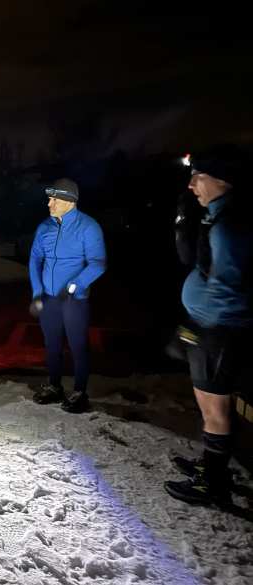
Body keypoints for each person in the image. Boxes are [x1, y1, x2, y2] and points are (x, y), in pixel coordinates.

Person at [164, 147, 251, 506]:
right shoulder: (219, 216)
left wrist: (197, 324)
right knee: (207, 404)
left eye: (198, 177)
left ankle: (212, 484)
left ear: (220, 180)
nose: (192, 184)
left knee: (215, 409)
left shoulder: (230, 225)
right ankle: (212, 465)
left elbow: (230, 286)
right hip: (208, 326)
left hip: (217, 330)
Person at [28, 178, 106, 413]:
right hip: (49, 298)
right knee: (52, 345)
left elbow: (98, 263)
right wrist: (37, 292)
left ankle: (80, 392)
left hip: (74, 300)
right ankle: (54, 386)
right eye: (49, 198)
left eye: (54, 199)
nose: (49, 203)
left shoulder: (88, 227)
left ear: (69, 202)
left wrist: (76, 284)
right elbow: (35, 259)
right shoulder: (45, 227)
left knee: (77, 346)